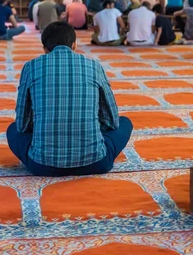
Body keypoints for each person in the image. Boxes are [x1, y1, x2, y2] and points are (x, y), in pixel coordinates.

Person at [7, 21, 132, 177]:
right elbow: (112, 121)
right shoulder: (94, 66)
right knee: (125, 123)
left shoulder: (30, 67)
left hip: (41, 165)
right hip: (97, 162)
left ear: (45, 49)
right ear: (74, 45)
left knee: (12, 130)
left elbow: (22, 125)